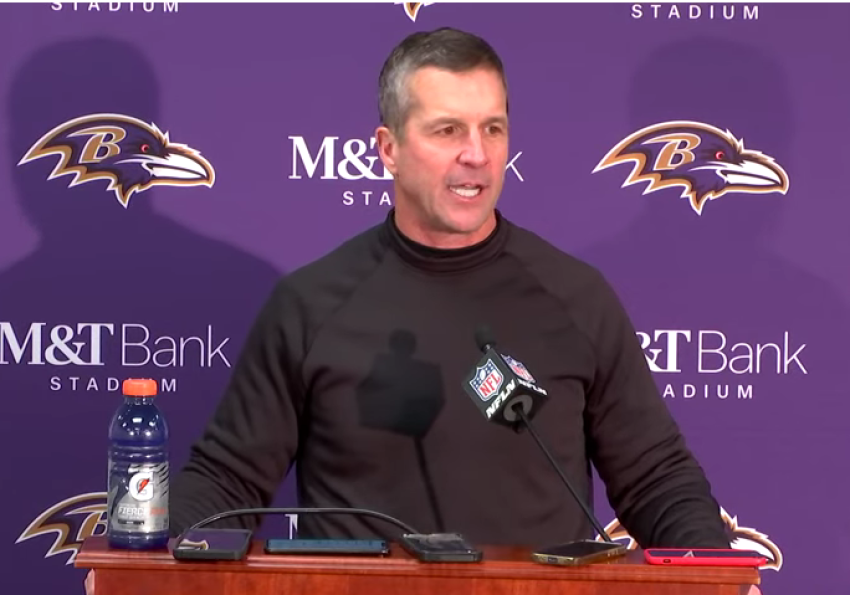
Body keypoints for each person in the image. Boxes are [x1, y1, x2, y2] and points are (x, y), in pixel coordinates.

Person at [86, 27, 762, 594]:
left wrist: (716, 573)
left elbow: (656, 476)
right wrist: (140, 563)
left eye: (492, 127)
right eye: (447, 130)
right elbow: (226, 478)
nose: (476, 154)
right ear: (387, 149)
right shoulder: (312, 303)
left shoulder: (576, 296)